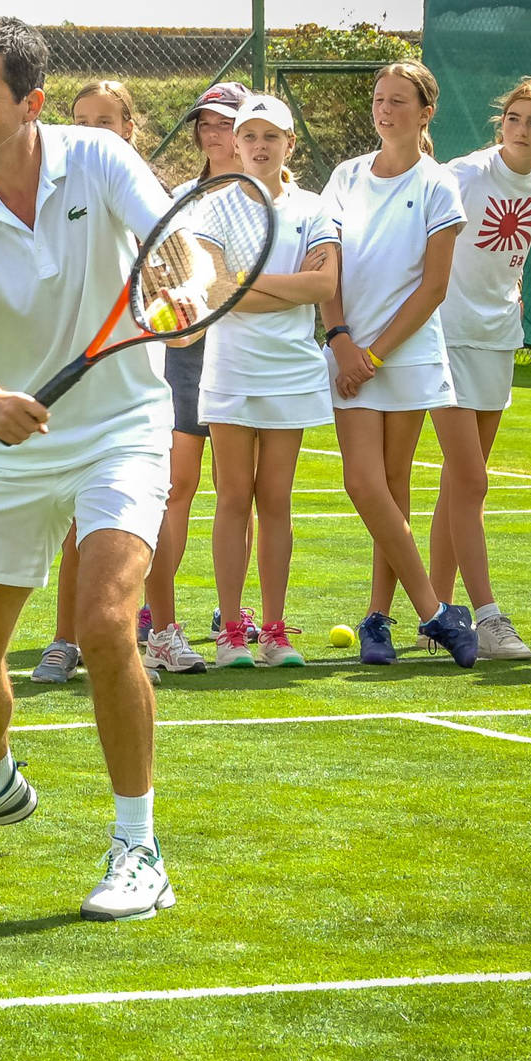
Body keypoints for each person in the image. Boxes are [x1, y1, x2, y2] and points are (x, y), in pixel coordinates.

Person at [0, 15, 183, 922]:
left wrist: (185, 291)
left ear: (31, 102)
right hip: (12, 435)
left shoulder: (99, 158)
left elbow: (180, 244)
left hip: (123, 427)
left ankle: (138, 844)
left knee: (103, 624)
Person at [321, 61, 478, 668]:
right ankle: (437, 612)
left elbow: (434, 287)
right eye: (379, 100)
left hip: (405, 355)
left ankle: (377, 621)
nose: (385, 111)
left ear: (425, 112)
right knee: (363, 483)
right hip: (348, 350)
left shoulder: (438, 184)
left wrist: (376, 354)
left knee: (392, 484)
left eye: (399, 101)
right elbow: (325, 263)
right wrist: (341, 341)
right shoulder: (345, 176)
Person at [197, 95, 339, 668]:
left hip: (293, 371)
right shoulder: (214, 208)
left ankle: (275, 633)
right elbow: (213, 293)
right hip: (230, 370)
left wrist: (250, 287)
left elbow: (325, 288)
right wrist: (291, 283)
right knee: (233, 497)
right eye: (249, 135)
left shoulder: (314, 208)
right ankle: (233, 631)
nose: (259, 145)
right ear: (235, 143)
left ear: (289, 144)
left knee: (275, 499)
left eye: (271, 136)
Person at [429, 77, 531, 660]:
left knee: (461, 482)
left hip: (497, 338)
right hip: (445, 335)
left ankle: (436, 613)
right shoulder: (461, 175)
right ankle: (487, 618)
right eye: (514, 118)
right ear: (500, 122)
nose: (522, 130)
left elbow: (512, 256)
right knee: (473, 480)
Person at [31, 81, 156, 686]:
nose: (91, 130)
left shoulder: (136, 191)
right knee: (77, 521)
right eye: (80, 119)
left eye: (105, 120)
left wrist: (180, 304)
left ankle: (140, 636)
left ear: (130, 127)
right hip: (69, 380)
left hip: (134, 390)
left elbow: (179, 266)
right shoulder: (57, 185)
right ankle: (64, 638)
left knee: (130, 519)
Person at [143, 80, 249, 676]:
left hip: (250, 356)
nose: (213, 133)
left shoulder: (274, 197)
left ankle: (234, 614)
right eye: (205, 123)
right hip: (187, 356)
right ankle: (162, 618)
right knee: (177, 488)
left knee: (242, 493)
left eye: (225, 122)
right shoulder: (179, 196)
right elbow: (165, 274)